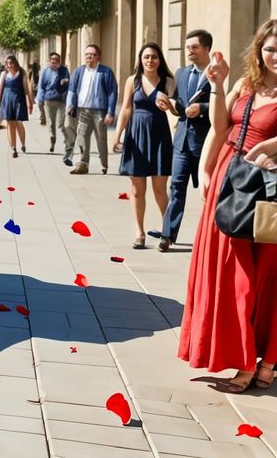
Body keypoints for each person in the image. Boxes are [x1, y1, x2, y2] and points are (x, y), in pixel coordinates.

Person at [178, 19, 277, 392]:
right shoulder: (245, 84)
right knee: (234, 273)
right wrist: (218, 86)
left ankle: (265, 361)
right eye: (269, 48)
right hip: (232, 178)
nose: (275, 55)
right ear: (258, 50)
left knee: (266, 276)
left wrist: (270, 146)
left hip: (270, 188)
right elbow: (220, 126)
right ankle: (246, 357)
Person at [153, 29, 214, 251]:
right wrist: (170, 106)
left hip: (205, 143)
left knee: (207, 192)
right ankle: (167, 235)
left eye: (194, 47)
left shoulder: (216, 74)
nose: (190, 51)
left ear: (206, 48)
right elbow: (180, 105)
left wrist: (201, 109)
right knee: (176, 187)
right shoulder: (181, 73)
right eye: (188, 47)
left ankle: (210, 237)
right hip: (181, 143)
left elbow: (222, 106)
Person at [112, 42, 175, 250]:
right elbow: (126, 109)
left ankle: (167, 231)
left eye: (154, 57)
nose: (150, 60)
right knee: (137, 190)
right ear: (140, 59)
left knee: (159, 189)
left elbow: (175, 107)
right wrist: (117, 134)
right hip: (136, 135)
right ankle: (139, 232)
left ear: (160, 59)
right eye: (146, 57)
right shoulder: (133, 80)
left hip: (159, 135)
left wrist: (169, 105)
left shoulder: (168, 81)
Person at [67, 44, 119, 174]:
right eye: (87, 54)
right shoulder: (79, 71)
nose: (89, 57)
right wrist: (70, 105)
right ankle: (83, 164)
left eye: (92, 54)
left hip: (99, 111)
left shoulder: (106, 72)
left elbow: (112, 92)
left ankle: (104, 164)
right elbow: (72, 90)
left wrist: (110, 112)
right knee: (82, 137)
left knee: (101, 138)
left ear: (98, 57)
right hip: (82, 110)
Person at [0, 54, 33, 157]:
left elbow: (27, 90)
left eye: (10, 63)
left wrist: (30, 102)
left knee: (18, 122)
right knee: (10, 123)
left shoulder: (21, 74)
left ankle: (23, 144)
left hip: (19, 100)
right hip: (7, 100)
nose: (8, 65)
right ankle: (13, 148)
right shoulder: (4, 74)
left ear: (15, 63)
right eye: (7, 63)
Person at [35, 52, 71, 155]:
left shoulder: (64, 70)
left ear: (59, 61)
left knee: (61, 124)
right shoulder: (45, 72)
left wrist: (65, 81)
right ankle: (52, 141)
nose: (54, 61)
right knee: (50, 123)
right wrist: (40, 100)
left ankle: (68, 143)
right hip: (49, 99)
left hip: (61, 100)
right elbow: (41, 86)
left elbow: (68, 82)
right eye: (52, 59)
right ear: (49, 60)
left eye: (56, 59)